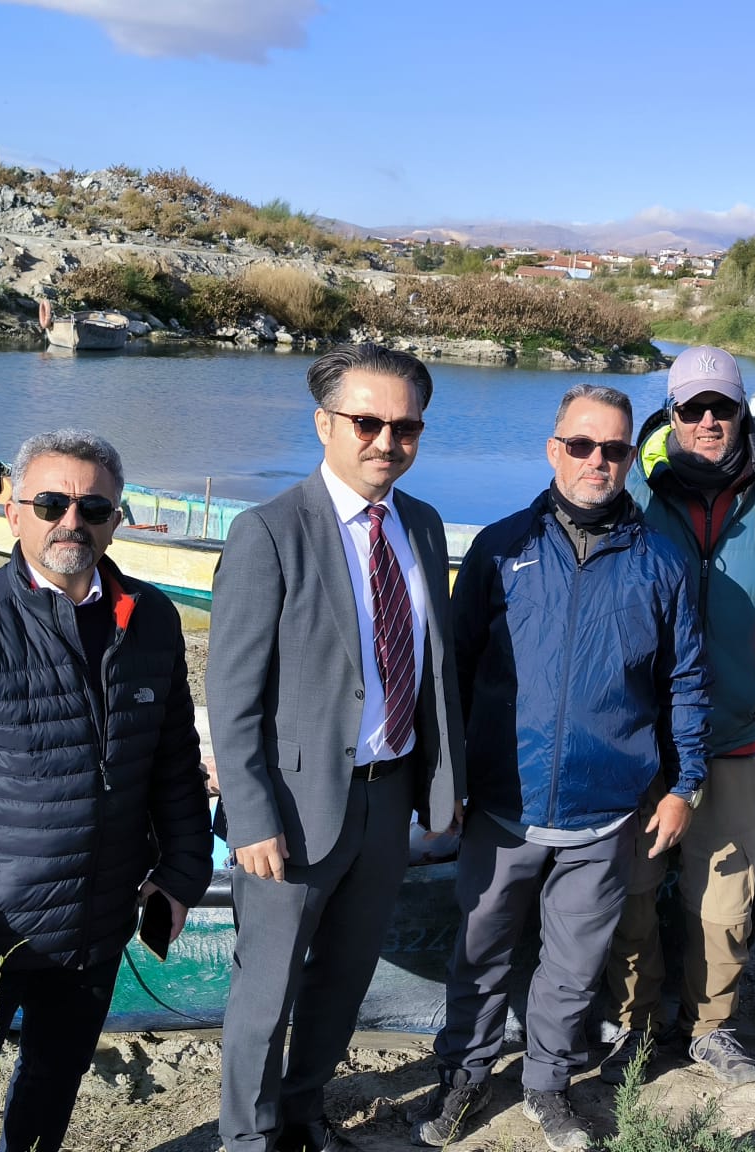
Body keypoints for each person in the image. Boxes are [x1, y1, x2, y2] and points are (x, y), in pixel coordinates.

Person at [0, 429, 213, 1152]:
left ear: (117, 519)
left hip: (96, 927)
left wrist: (183, 874)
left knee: (49, 1096)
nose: (73, 522)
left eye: (94, 507)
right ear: (14, 513)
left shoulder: (150, 619)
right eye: (53, 503)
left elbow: (174, 765)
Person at [408, 384, 711, 1152]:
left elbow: (685, 684)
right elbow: (452, 667)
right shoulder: (499, 548)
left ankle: (546, 1087)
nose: (597, 462)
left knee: (574, 970)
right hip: (501, 802)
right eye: (581, 445)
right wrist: (442, 781)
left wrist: (682, 787)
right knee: (479, 953)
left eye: (613, 449)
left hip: (605, 808)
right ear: (553, 450)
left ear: (627, 460)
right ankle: (465, 1077)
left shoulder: (663, 565)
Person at [209, 344, 466, 1152]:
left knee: (345, 975)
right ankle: (246, 1141)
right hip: (289, 810)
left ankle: (301, 1112)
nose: (386, 441)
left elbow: (433, 669)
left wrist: (443, 785)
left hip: (387, 798)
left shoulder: (421, 525)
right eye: (367, 422)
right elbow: (233, 693)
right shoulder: (269, 533)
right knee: (265, 993)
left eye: (405, 426)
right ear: (325, 424)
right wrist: (249, 817)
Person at [600, 345, 755, 1085]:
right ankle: (632, 1027)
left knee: (725, 895)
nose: (709, 421)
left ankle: (710, 1027)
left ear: (744, 412)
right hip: (641, 741)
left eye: (723, 407)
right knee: (634, 893)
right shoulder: (631, 494)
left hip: (732, 738)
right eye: (692, 408)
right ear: (670, 415)